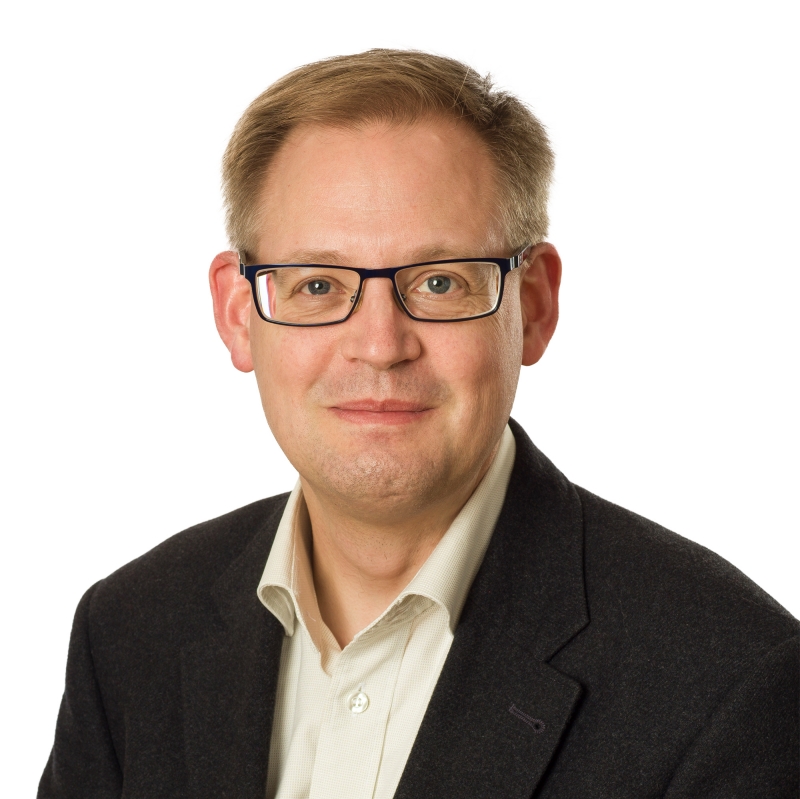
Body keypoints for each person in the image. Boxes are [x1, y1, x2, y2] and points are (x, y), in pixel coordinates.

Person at [39, 49, 798, 799]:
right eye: (317, 284)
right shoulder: (130, 631)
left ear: (534, 304)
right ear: (238, 315)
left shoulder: (730, 680)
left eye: (439, 282)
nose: (380, 345)